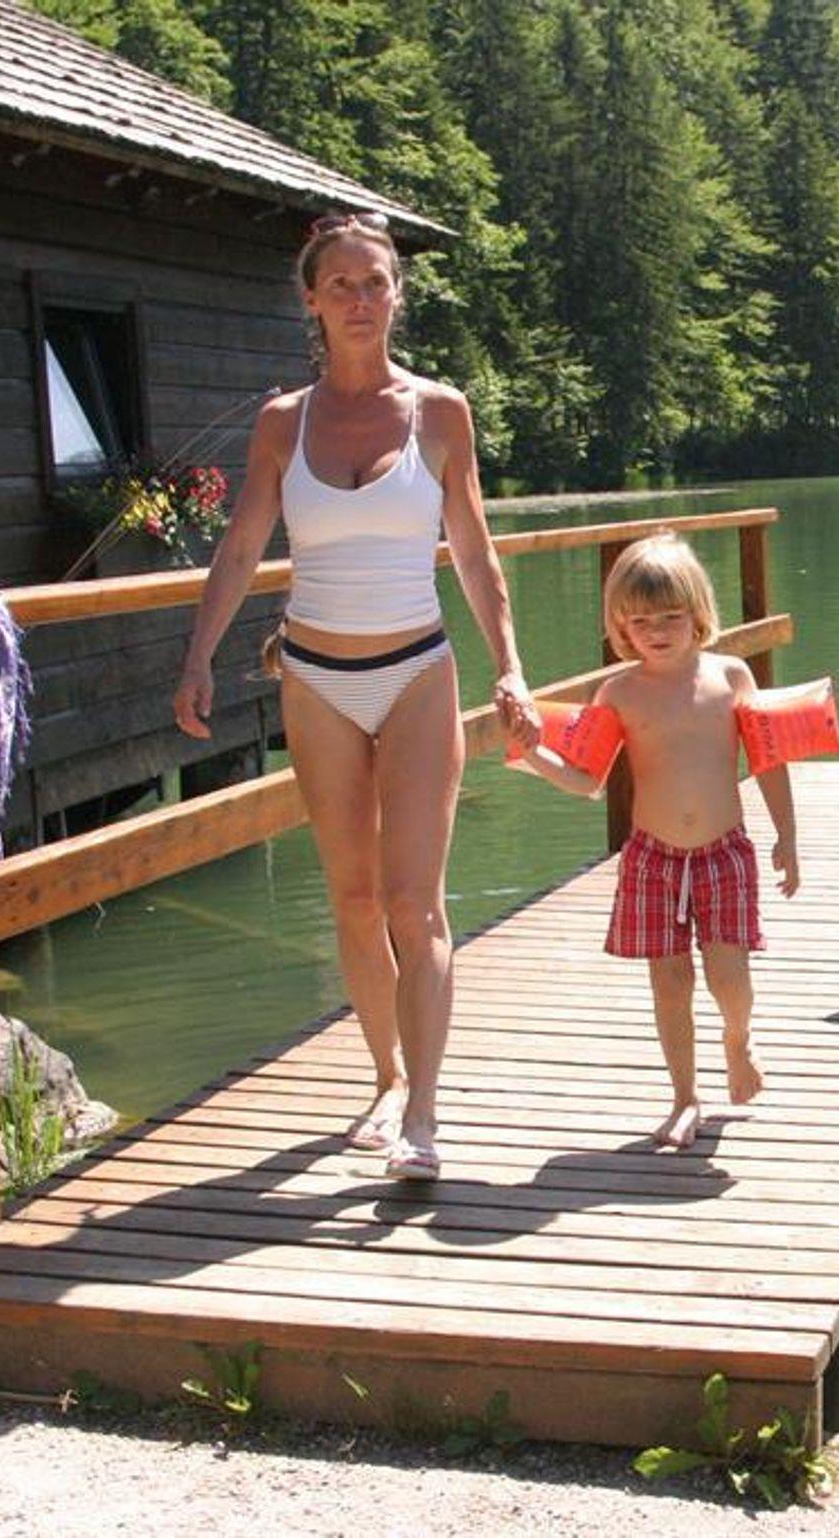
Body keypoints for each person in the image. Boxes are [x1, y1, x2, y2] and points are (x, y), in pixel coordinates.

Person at [173, 211, 539, 1181]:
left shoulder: (441, 413)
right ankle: (383, 1076)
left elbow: (474, 551)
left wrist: (509, 664)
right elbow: (242, 546)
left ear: (397, 295)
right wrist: (198, 656)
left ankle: (423, 1112)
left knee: (415, 902)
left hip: (417, 670)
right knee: (354, 896)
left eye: (376, 281)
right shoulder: (281, 423)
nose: (360, 298)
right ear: (311, 300)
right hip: (316, 678)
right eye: (341, 283)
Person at [519, 533, 799, 1150]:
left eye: (670, 616)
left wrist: (787, 834)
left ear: (697, 613)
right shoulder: (619, 692)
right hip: (653, 856)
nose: (656, 631)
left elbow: (768, 759)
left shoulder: (731, 676)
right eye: (639, 621)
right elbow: (587, 779)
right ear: (620, 626)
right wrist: (534, 754)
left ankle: (737, 1039)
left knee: (729, 978)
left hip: (724, 851)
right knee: (669, 983)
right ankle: (683, 1097)